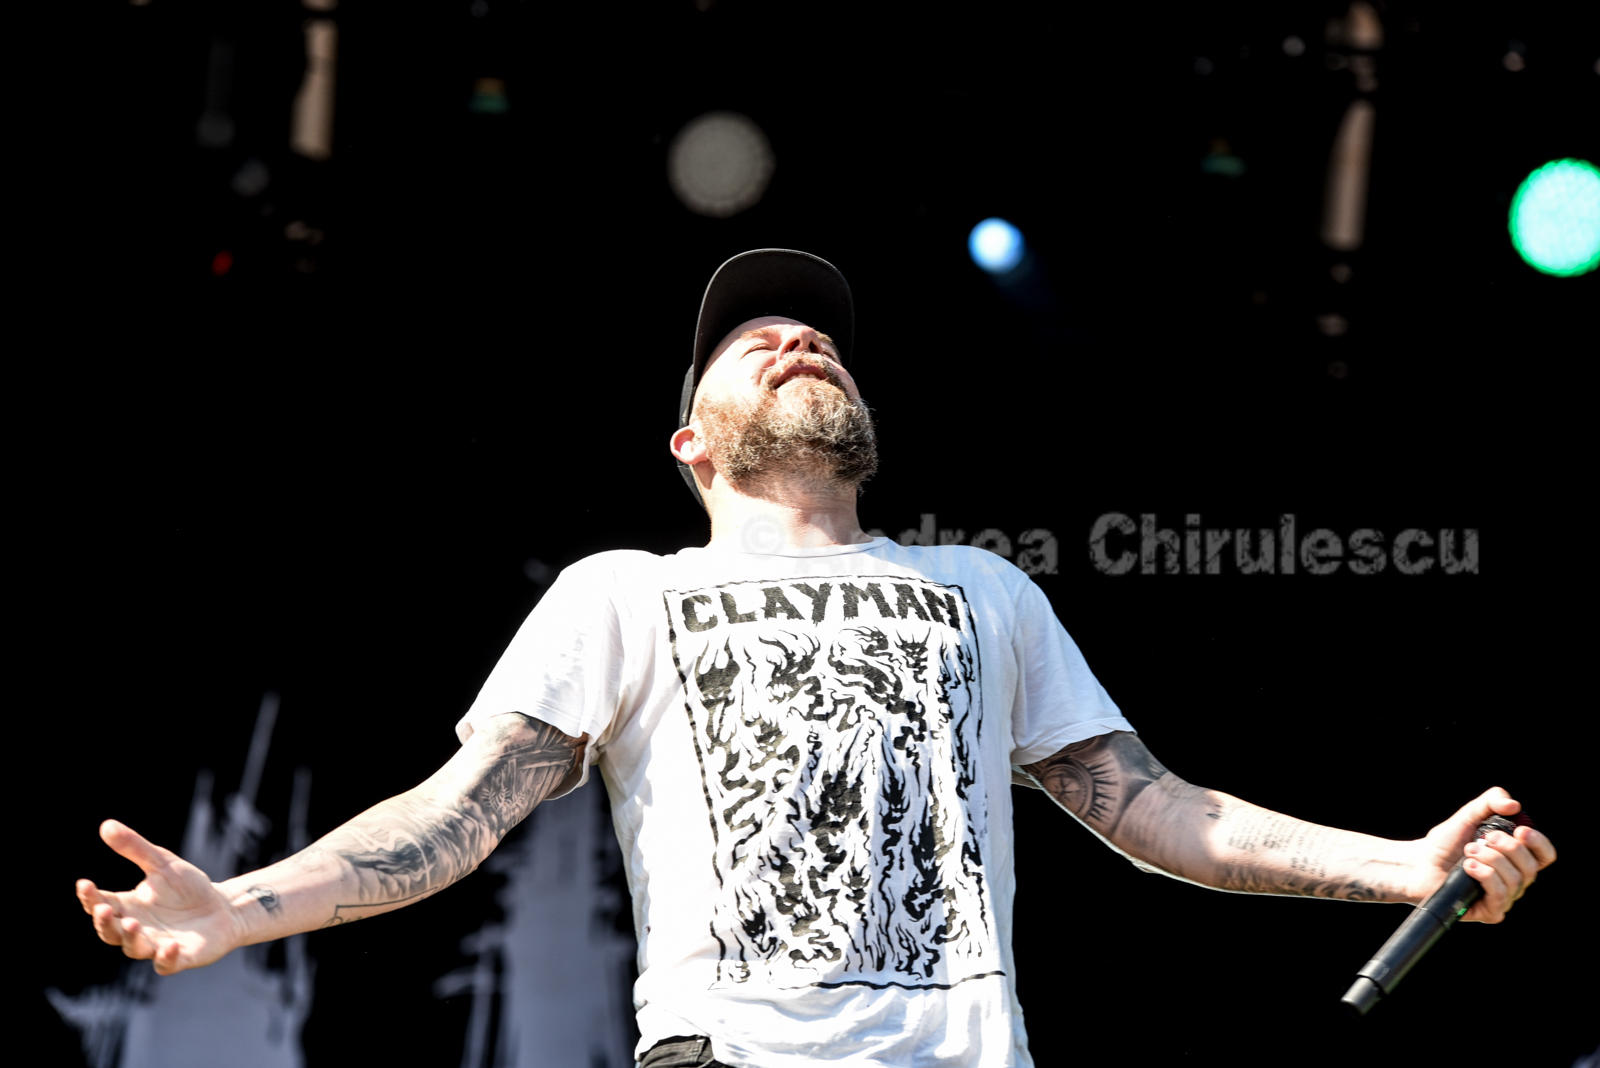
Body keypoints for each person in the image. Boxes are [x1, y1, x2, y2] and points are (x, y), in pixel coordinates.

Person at [79, 250, 1556, 1068]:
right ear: (690, 442)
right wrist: (242, 909)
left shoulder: (981, 591)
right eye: (756, 342)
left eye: (821, 338)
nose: (799, 341)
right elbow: (453, 816)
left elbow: (1157, 810)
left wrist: (1401, 866)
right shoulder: (627, 595)